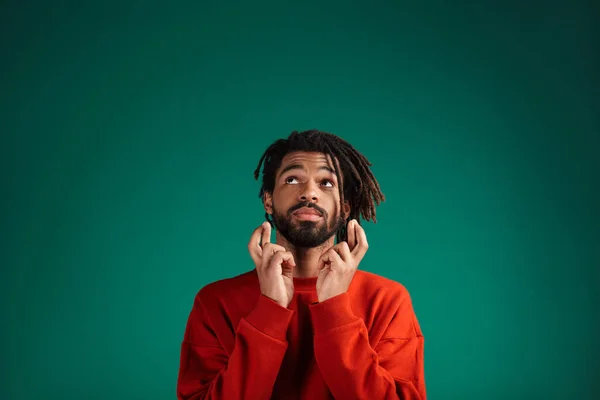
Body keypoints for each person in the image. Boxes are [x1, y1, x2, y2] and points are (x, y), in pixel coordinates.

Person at [177, 130, 426, 399]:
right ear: (269, 200)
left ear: (344, 208)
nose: (309, 193)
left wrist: (335, 309)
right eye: (293, 179)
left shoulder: (387, 301)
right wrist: (269, 311)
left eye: (327, 183)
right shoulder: (215, 302)